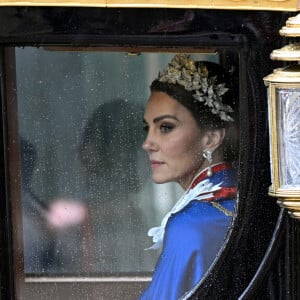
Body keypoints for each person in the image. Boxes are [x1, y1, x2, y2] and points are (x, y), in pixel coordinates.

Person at [140, 54, 238, 300]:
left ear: (211, 138)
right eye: (147, 128)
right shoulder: (229, 198)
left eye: (165, 127)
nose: (148, 143)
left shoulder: (191, 224)